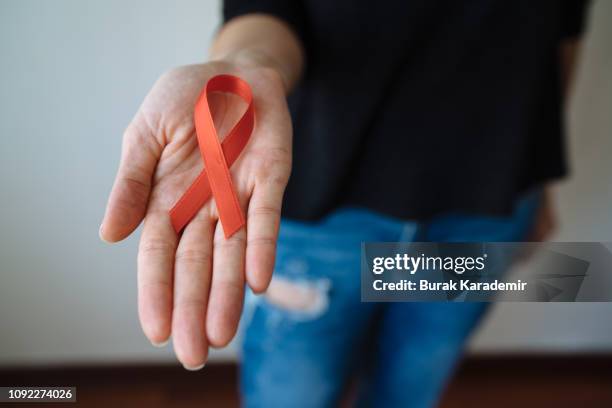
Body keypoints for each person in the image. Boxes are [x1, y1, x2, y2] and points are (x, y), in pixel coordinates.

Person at [100, 0, 589, 406]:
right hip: (322, 214)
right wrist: (247, 67)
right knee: (292, 395)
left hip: (486, 205)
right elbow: (266, 10)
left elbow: (563, 33)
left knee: (410, 389)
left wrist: (541, 175)